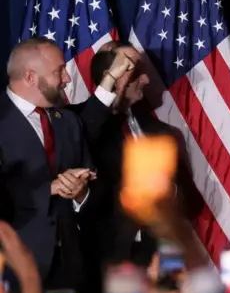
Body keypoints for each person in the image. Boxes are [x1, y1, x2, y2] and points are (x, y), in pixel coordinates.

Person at [80, 41, 199, 268]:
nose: (145, 80)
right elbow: (87, 132)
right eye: (136, 73)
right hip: (112, 261)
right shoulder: (79, 124)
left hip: (161, 257)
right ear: (112, 77)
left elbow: (189, 198)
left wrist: (169, 189)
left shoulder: (161, 131)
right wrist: (112, 84)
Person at [0, 38, 95, 291]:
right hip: (14, 271)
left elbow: (93, 183)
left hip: (69, 269)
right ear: (31, 77)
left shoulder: (69, 121)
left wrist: (81, 193)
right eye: (59, 71)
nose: (67, 78)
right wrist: (48, 189)